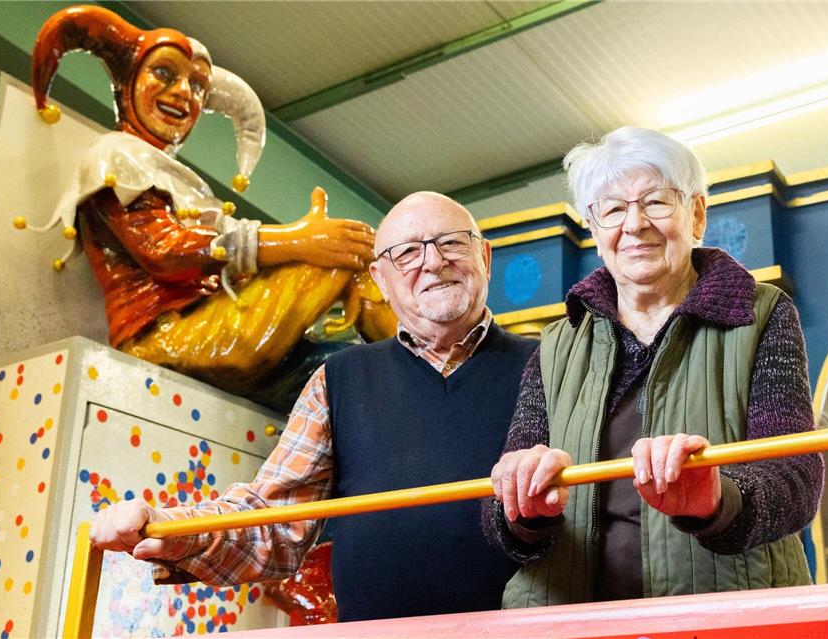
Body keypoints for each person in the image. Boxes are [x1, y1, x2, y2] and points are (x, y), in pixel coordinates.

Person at [90, 192, 538, 622]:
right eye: (406, 254)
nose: (433, 262)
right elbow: (272, 522)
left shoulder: (553, 363)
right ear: (380, 281)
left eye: (451, 243)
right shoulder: (337, 380)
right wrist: (165, 528)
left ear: (485, 257)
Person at [483, 127, 824, 607]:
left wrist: (715, 499)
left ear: (697, 215)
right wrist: (525, 510)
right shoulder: (555, 345)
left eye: (656, 202)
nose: (635, 224)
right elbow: (501, 515)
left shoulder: (761, 314)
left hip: (724, 615)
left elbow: (794, 479)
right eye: (613, 209)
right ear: (594, 227)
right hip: (566, 620)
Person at [24, 5, 392, 400]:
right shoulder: (117, 156)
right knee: (346, 253)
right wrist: (294, 242)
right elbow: (163, 251)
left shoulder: (184, 184)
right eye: (164, 73)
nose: (184, 92)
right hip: (166, 340)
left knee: (355, 369)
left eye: (198, 86)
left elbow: (215, 266)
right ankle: (436, 367)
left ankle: (425, 378)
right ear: (127, 83)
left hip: (213, 330)